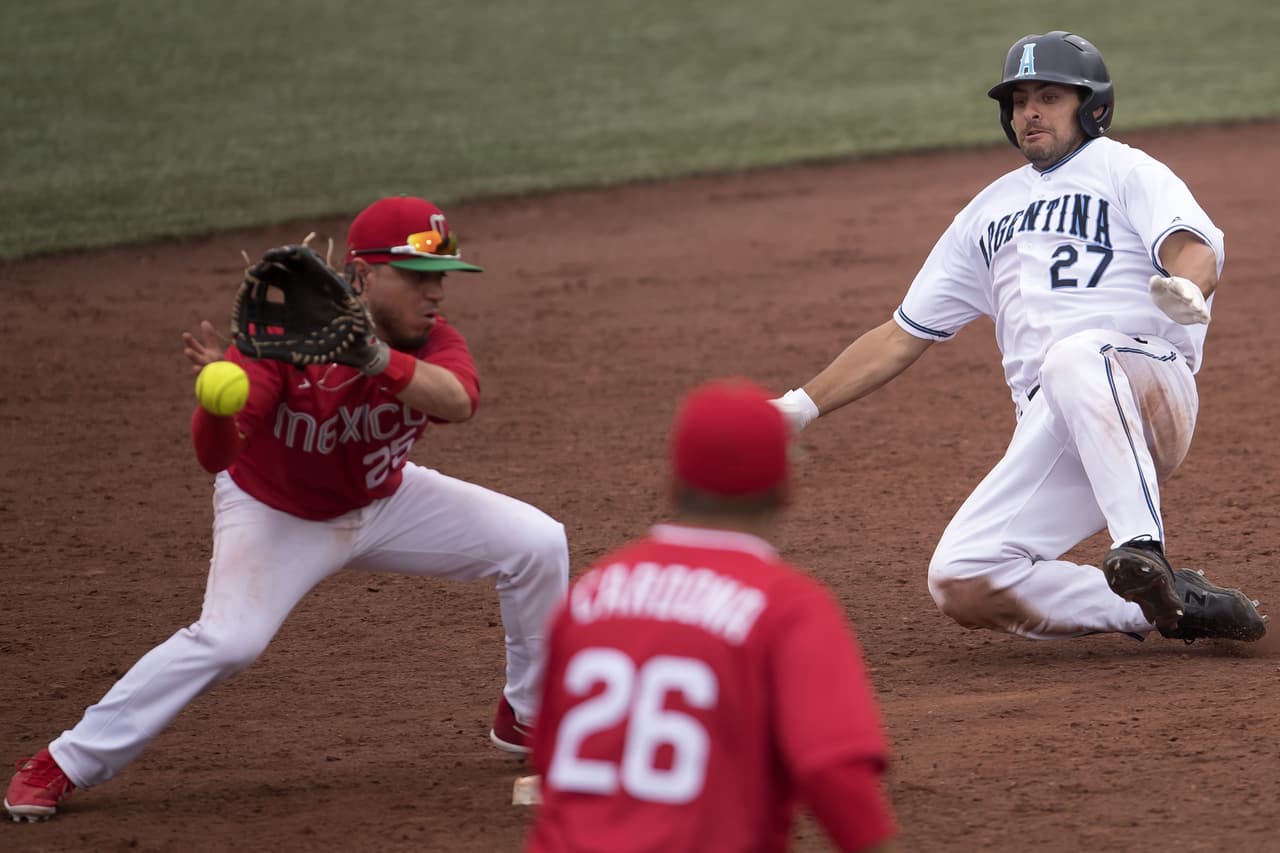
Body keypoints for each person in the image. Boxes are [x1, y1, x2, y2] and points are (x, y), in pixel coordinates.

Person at [4, 195, 570, 822]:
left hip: (385, 500)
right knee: (228, 642)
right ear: (363, 275)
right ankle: (63, 762)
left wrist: (374, 357)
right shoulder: (281, 342)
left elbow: (459, 400)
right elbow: (215, 457)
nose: (435, 292)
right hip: (276, 513)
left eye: (440, 276)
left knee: (537, 543)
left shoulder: (432, 340)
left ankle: (526, 716)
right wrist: (216, 408)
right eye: (416, 276)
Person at [770, 31, 1266, 644]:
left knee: (1074, 355)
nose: (1030, 112)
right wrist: (799, 406)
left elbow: (1192, 246)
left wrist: (1186, 285)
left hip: (1146, 387)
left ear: (1092, 107)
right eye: (1019, 100)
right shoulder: (985, 212)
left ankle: (1143, 546)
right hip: (1059, 421)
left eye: (1049, 97)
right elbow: (900, 334)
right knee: (962, 576)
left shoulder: (1127, 170)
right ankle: (1169, 606)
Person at [527, 380, 896, 853]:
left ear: (674, 485)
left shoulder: (591, 591)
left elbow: (548, 750)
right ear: (785, 489)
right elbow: (834, 771)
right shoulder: (788, 605)